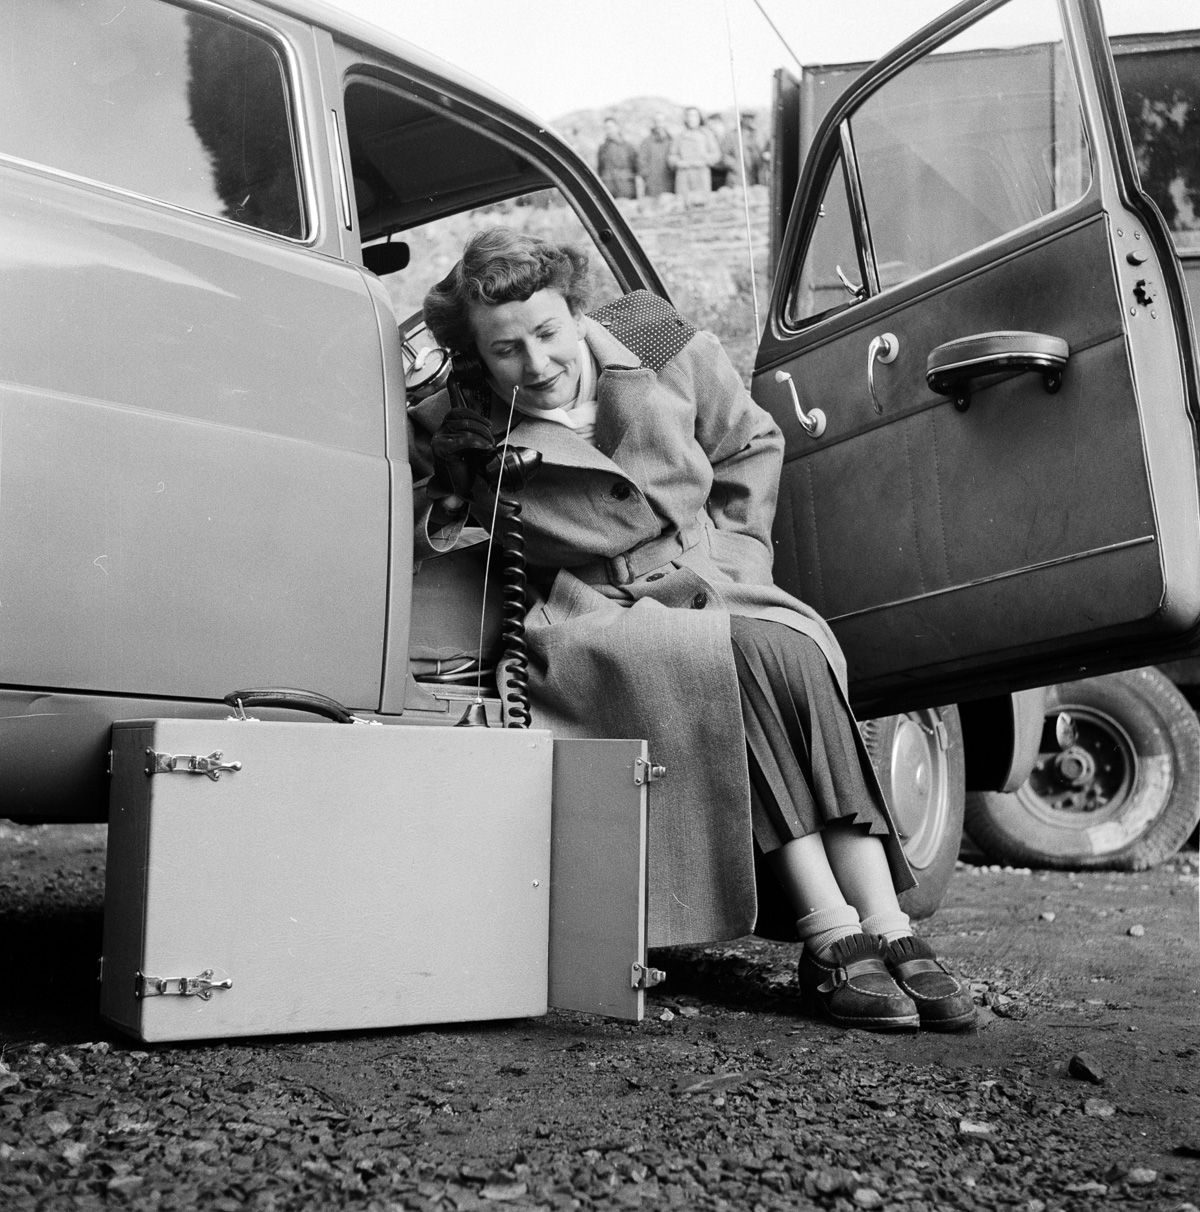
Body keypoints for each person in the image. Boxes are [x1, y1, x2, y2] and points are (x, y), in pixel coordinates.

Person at [409, 227, 976, 1034]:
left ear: (577, 313)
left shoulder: (656, 339)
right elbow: (421, 516)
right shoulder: (466, 420)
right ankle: (841, 927)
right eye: (505, 351)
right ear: (480, 353)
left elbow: (752, 443)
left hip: (712, 577)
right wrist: (449, 450)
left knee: (790, 647)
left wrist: (737, 559)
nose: (535, 367)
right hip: (594, 618)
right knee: (739, 656)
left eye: (547, 335)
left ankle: (874, 928)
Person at [667, 106, 719, 203]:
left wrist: (704, 160)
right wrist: (679, 163)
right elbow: (671, 156)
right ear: (685, 118)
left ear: (699, 118)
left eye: (695, 116)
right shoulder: (679, 136)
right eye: (689, 116)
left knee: (702, 203)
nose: (692, 119)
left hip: (701, 174)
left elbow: (716, 155)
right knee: (684, 204)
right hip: (684, 175)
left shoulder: (707, 135)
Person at [596, 116, 638, 200]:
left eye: (610, 127)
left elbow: (636, 167)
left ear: (617, 127)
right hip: (609, 191)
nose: (608, 130)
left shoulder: (628, 146)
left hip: (626, 190)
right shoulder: (602, 148)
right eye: (606, 128)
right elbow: (600, 169)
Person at [637, 113, 674, 200]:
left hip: (669, 182)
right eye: (657, 121)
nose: (659, 124)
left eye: (661, 121)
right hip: (652, 184)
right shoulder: (646, 142)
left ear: (666, 123)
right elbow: (641, 162)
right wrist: (647, 177)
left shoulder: (672, 141)